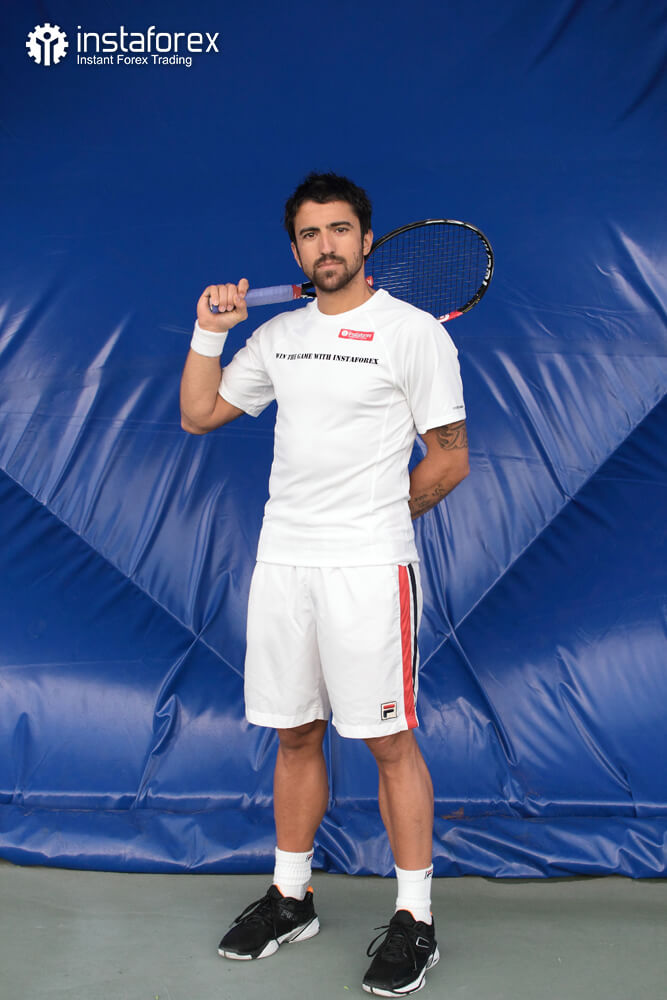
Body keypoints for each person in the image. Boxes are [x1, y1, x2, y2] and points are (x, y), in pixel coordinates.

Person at [179, 172, 469, 996]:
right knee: (296, 733)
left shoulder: (414, 334)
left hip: (368, 568)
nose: (326, 245)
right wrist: (208, 331)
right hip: (284, 564)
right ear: (296, 249)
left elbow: (448, 460)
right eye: (310, 234)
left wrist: (373, 520)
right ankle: (291, 897)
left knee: (388, 741)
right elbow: (199, 414)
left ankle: (414, 920)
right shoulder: (278, 335)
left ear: (367, 240)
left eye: (339, 229)